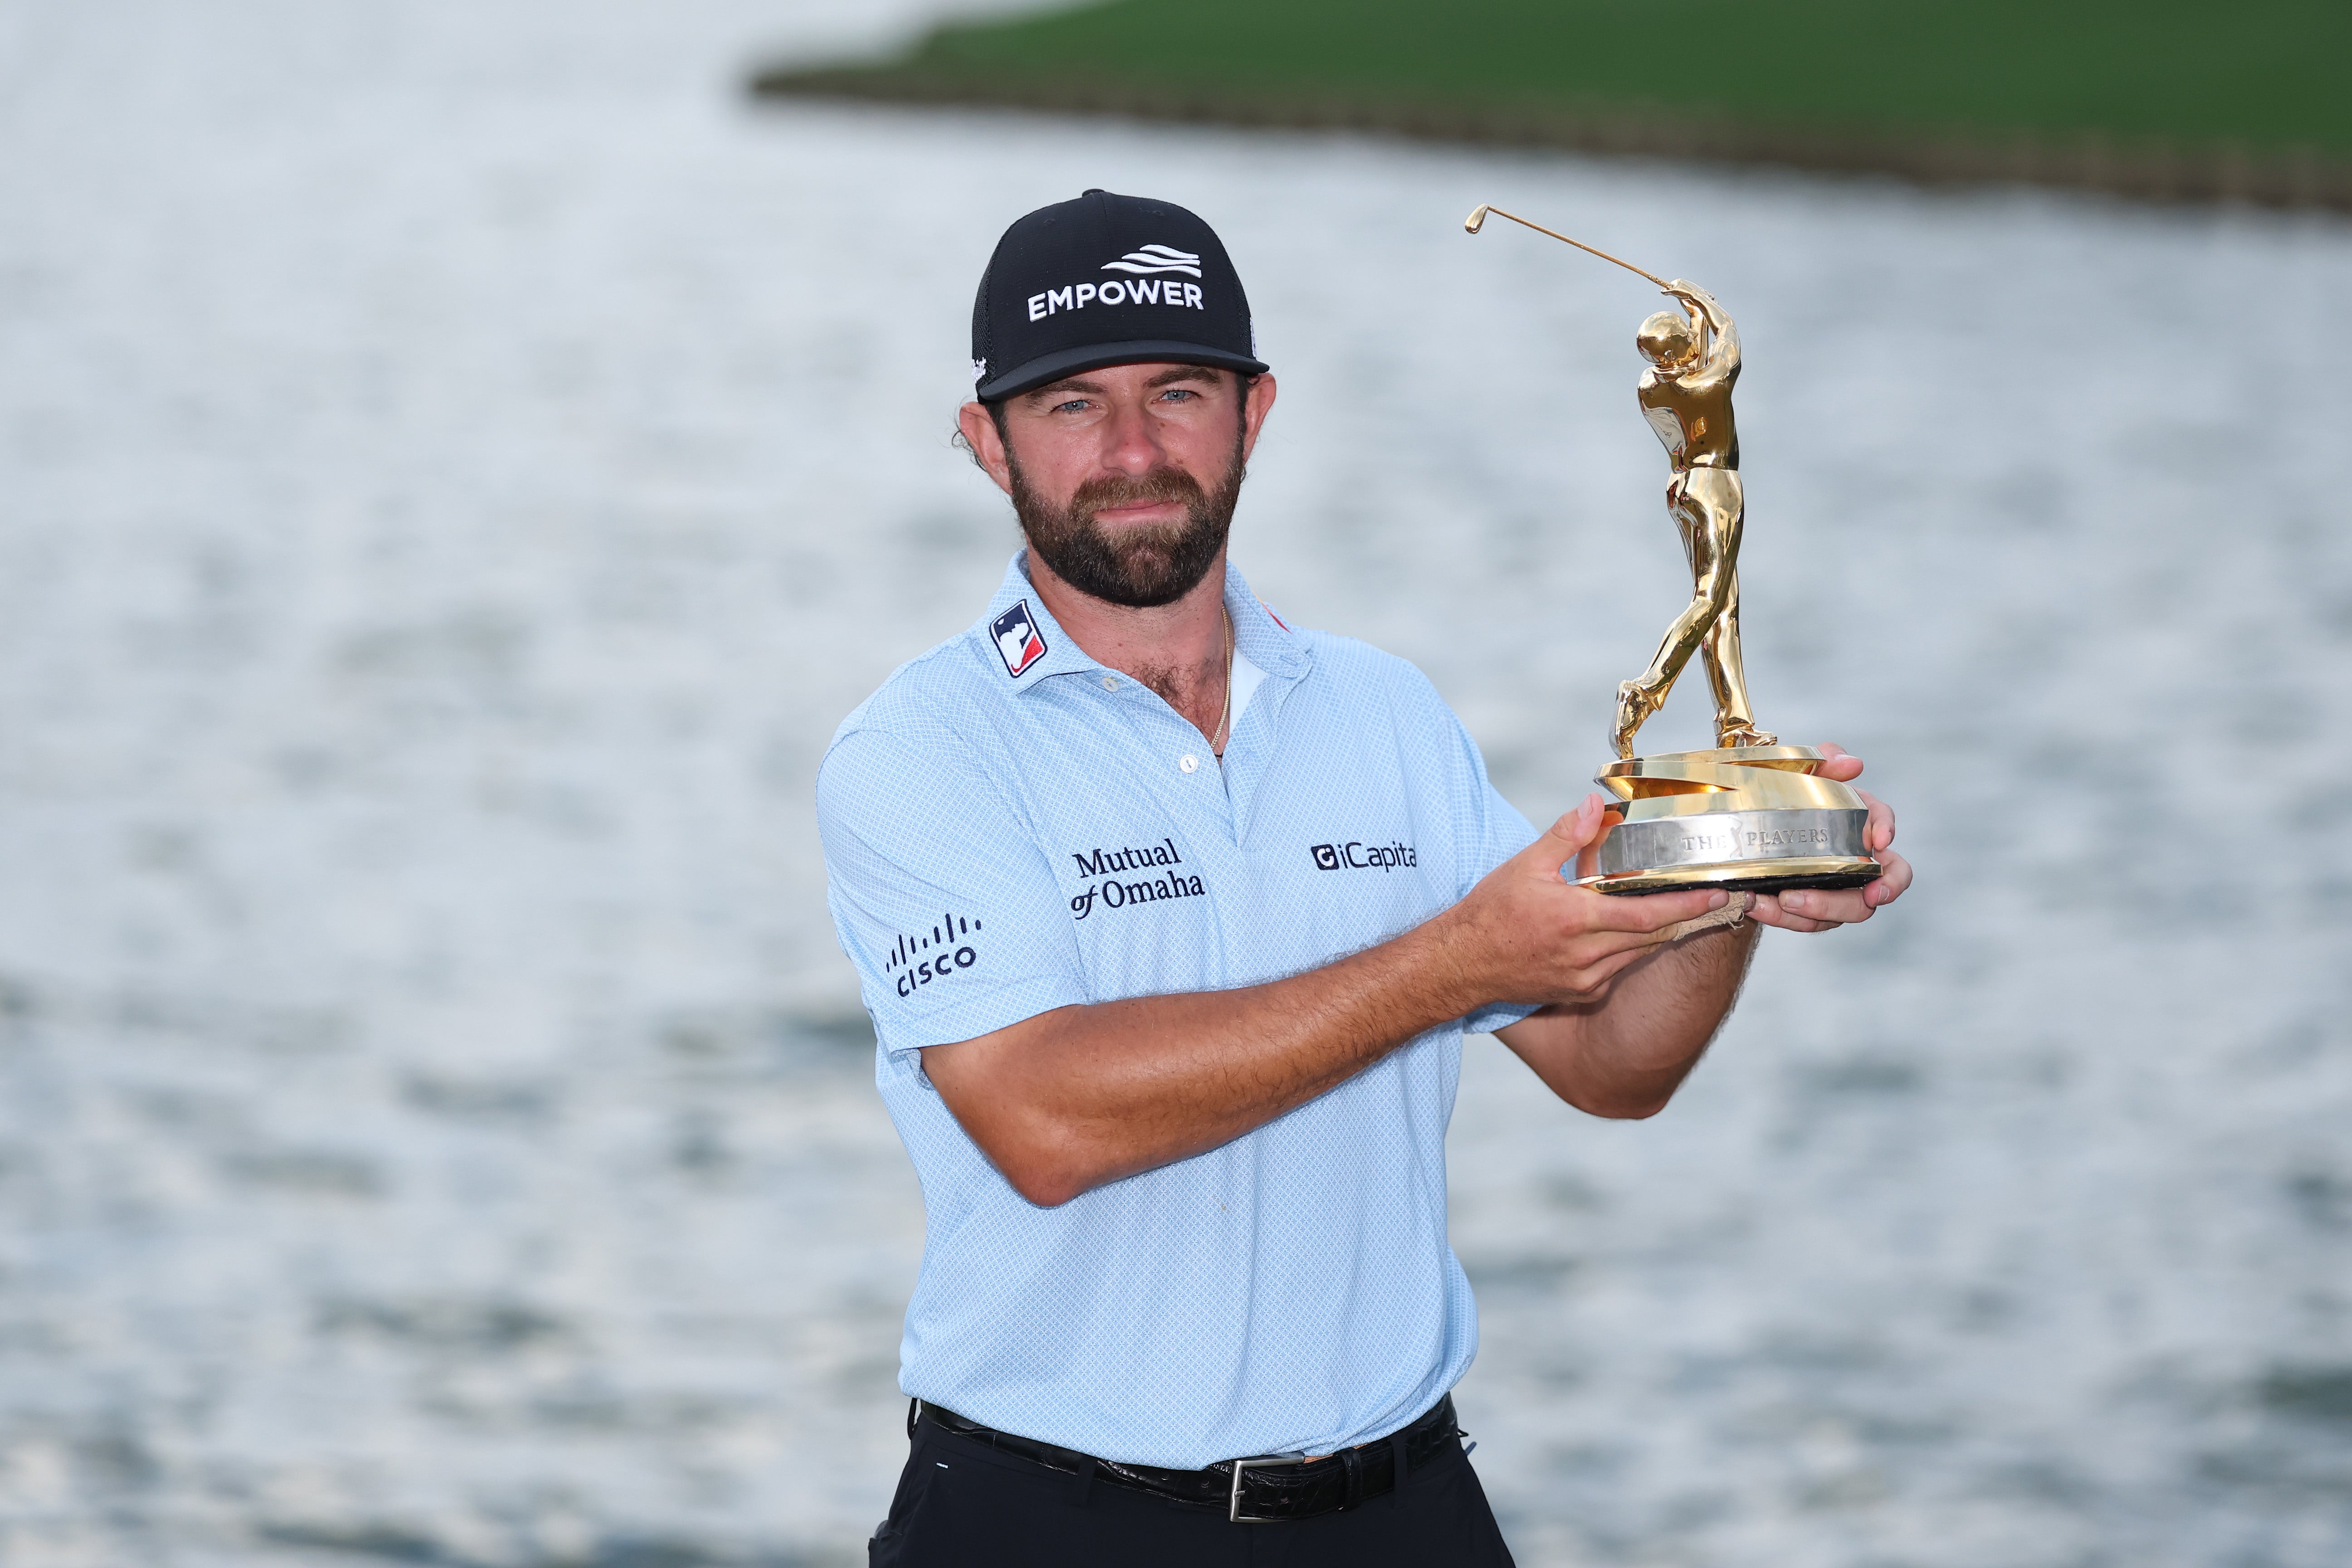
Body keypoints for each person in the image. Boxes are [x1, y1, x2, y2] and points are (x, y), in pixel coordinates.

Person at [815, 190, 1911, 1566]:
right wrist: (1458, 962)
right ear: (986, 442)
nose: (1135, 449)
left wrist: (1724, 885)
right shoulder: (921, 747)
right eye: (1071, 405)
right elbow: (1046, 1123)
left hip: (1404, 1510)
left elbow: (1613, 1065)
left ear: (1255, 413)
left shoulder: (1384, 713)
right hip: (1046, 1517)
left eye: (1178, 391)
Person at [1617, 281, 1774, 755]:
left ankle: (1735, 723)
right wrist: (1704, 299)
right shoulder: (1707, 384)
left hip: (1681, 487)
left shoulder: (1652, 387)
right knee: (1709, 603)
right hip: (1717, 488)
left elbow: (1695, 353)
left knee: (1722, 610)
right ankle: (1644, 691)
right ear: (1683, 353)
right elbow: (1731, 342)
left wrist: (1690, 321)